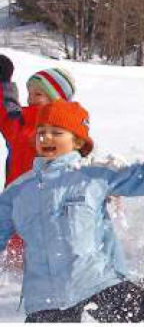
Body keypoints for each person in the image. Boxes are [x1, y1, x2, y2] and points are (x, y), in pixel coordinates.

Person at [0, 99, 144, 321]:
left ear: (77, 141)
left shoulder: (93, 176)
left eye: (56, 132)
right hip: (44, 303)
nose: (46, 137)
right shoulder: (18, 191)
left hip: (99, 286)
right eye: (41, 132)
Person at [0, 57, 76, 268]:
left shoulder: (65, 129)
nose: (31, 98)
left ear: (56, 98)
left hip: (49, 205)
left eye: (38, 94)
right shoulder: (22, 120)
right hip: (16, 201)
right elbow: (7, 111)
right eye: (29, 93)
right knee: (15, 253)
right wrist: (4, 82)